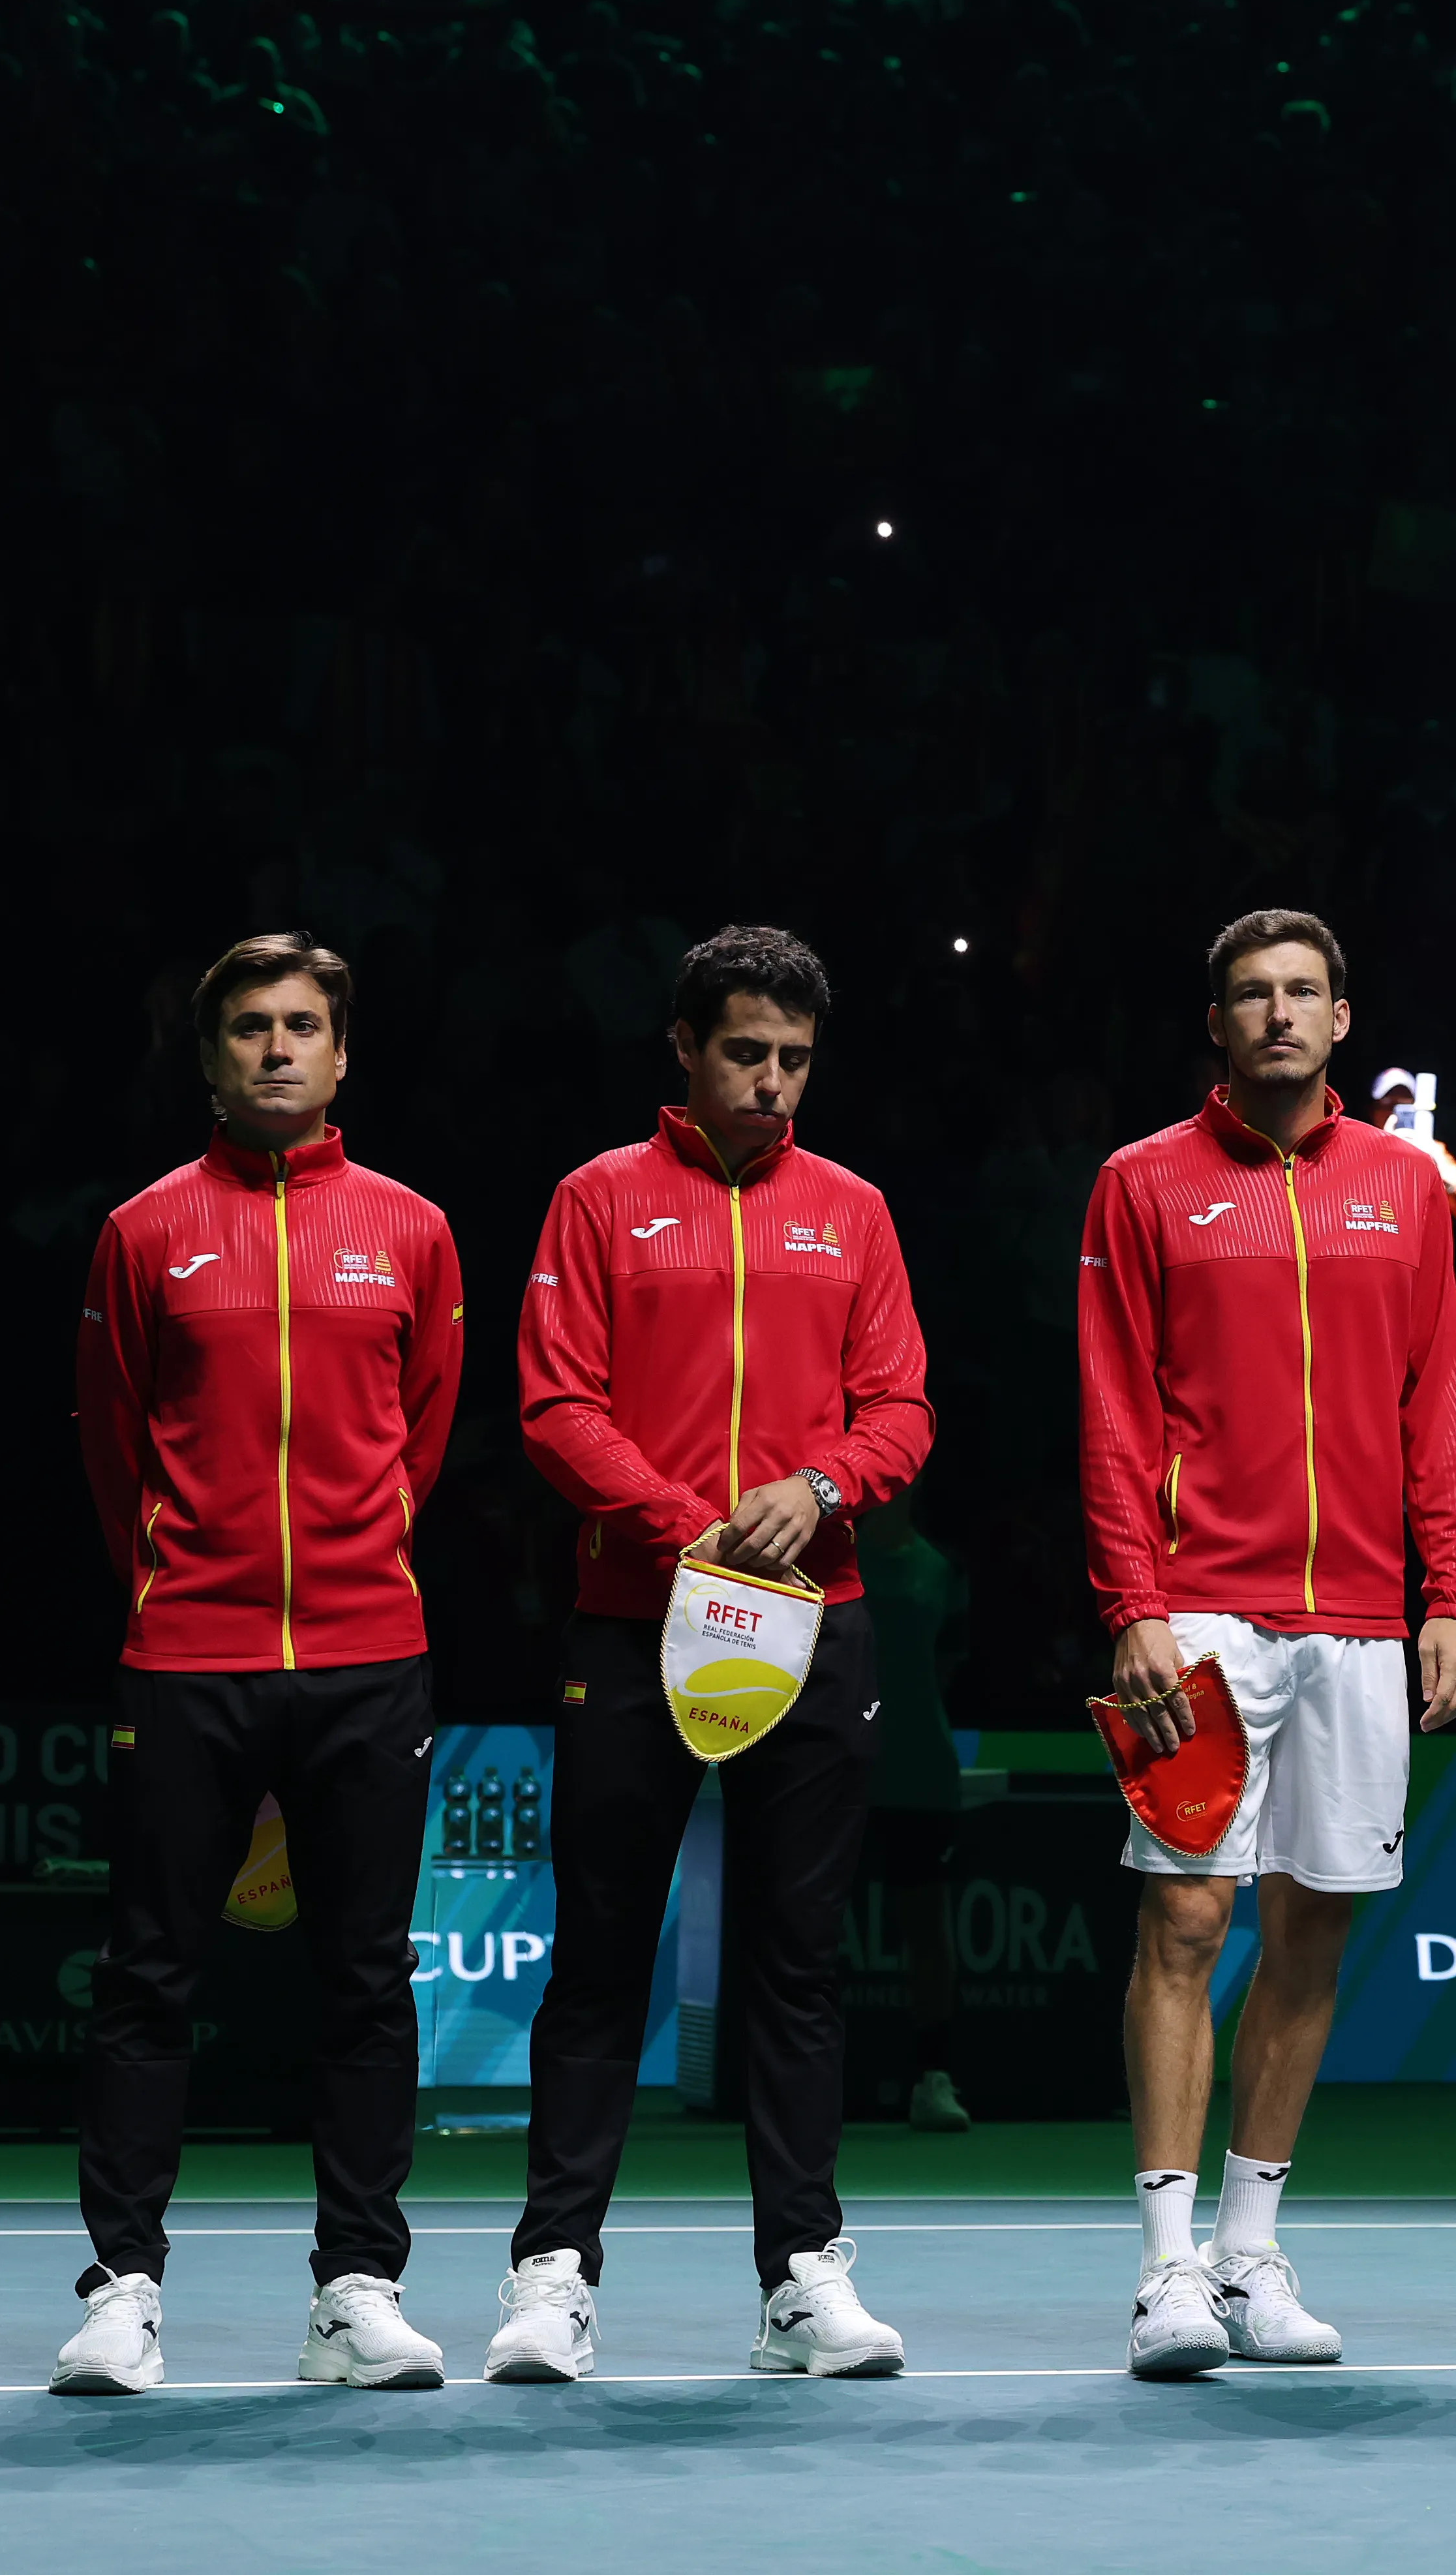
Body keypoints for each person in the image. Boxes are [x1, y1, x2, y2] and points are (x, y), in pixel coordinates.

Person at [487, 925, 936, 2383]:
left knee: (799, 1964)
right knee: (604, 1955)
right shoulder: (598, 1200)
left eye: (795, 1059)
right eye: (745, 1052)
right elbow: (556, 1405)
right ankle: (553, 2274)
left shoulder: (853, 1209)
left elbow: (904, 1405)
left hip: (819, 1620)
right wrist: (696, 1527)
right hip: (637, 1624)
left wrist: (821, 1489)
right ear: (684, 1047)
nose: (771, 1084)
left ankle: (802, 2276)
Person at [1079, 907, 1456, 2379]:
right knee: (1185, 1919)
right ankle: (1165, 2268)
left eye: (1303, 991)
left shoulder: (1402, 1185)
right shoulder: (1144, 1183)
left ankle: (1253, 2249)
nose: (1278, 1014)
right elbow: (1116, 1406)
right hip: (1194, 1603)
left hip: (1365, 1613)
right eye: (1251, 994)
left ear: (1342, 1016)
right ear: (1218, 1023)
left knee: (1317, 1919)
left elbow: (1438, 1397)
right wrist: (1130, 1600)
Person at [58, 932, 465, 2396]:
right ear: (211, 1052)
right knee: (149, 1974)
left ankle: (356, 2288)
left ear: (343, 1053)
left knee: (365, 1979)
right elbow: (115, 1445)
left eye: (303, 1025)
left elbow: (421, 1436)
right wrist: (181, 1577)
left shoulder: (414, 1228)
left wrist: (354, 1563)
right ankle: (125, 2288)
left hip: (370, 1653)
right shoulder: (143, 1230)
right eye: (249, 1027)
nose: (277, 1048)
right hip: (189, 1654)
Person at [858, 1488, 974, 2131]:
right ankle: (816, 2079)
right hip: (840, 1768)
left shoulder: (940, 1569)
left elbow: (950, 1668)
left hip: (920, 1768)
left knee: (927, 1927)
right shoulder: (835, 1558)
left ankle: (933, 2078)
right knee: (810, 1930)